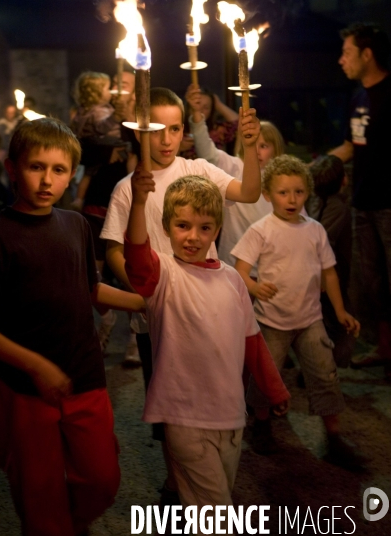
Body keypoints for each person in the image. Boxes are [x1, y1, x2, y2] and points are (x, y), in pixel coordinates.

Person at [101, 86, 262, 502]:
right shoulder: (127, 188)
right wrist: (141, 292)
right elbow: (116, 249)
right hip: (154, 313)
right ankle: (180, 478)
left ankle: (200, 465)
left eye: (175, 128)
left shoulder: (200, 171)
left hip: (202, 307)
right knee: (168, 402)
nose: (167, 139)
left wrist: (248, 148)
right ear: (139, 131)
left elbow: (248, 192)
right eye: (156, 129)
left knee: (206, 385)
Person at [0, 117, 145, 536]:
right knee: (38, 493)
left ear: (72, 174)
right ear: (11, 169)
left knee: (101, 478)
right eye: (35, 167)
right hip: (24, 389)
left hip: (85, 375)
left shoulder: (75, 225)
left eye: (59, 170)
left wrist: (144, 302)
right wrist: (35, 365)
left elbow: (89, 289)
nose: (47, 180)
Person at [124, 171, 290, 510]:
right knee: (216, 513)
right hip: (184, 416)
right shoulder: (164, 274)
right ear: (167, 226)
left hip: (230, 416)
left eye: (204, 227)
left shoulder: (232, 279)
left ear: (217, 230)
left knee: (213, 505)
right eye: (182, 226)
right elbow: (137, 258)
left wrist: (274, 389)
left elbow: (252, 341)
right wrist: (139, 202)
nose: (193, 237)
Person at [232, 155, 363, 471]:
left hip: (310, 320)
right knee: (267, 377)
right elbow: (239, 269)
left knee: (325, 374)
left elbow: (329, 273)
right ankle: (261, 424)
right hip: (271, 320)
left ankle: (333, 436)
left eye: (298, 192)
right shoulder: (261, 229)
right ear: (267, 194)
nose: (291, 200)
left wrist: (341, 311)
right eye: (283, 192)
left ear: (308, 193)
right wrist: (254, 286)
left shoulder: (315, 230)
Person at [332, 22, 391, 380]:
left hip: (390, 204)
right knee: (373, 283)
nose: (341, 60)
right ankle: (384, 350)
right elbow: (351, 146)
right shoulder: (358, 98)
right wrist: (317, 168)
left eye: (347, 53)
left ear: (367, 55)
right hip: (364, 203)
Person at [70, 71, 137, 352]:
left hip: (128, 204)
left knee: (133, 272)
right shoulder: (101, 115)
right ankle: (103, 321)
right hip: (99, 201)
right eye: (113, 84)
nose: (117, 89)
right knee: (91, 274)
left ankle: (137, 337)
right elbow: (86, 148)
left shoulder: (138, 115)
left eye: (124, 85)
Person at [186, 83, 285, 269]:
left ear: (275, 148)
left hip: (273, 264)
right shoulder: (235, 166)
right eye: (253, 144)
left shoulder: (282, 177)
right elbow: (207, 152)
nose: (257, 151)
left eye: (263, 146)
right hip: (234, 262)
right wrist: (197, 116)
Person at [307, 155, 355, 367]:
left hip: (320, 275)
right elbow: (323, 242)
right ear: (344, 180)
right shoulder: (338, 208)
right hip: (330, 276)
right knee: (336, 322)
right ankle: (327, 365)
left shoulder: (315, 201)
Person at [180, 86, 239, 159]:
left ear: (211, 111)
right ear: (189, 107)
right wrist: (178, 148)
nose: (200, 110)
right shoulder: (178, 130)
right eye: (196, 105)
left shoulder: (216, 131)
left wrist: (218, 104)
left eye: (206, 107)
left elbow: (238, 124)